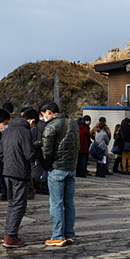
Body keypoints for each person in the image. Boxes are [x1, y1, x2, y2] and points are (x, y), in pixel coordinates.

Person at [39, 101, 80, 247]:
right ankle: (69, 234)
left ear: (48, 112)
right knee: (69, 203)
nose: (43, 118)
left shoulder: (50, 126)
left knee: (56, 203)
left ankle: (57, 236)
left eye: (43, 114)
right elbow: (77, 145)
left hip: (57, 169)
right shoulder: (74, 123)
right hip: (71, 168)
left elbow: (46, 152)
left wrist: (45, 166)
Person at [0, 111, 36, 248]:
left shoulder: (6, 132)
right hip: (20, 172)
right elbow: (29, 153)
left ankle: (8, 233)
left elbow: (0, 154)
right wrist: (36, 147)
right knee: (19, 204)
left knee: (12, 203)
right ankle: (11, 236)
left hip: (7, 172)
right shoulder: (25, 133)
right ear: (30, 121)